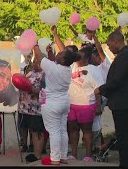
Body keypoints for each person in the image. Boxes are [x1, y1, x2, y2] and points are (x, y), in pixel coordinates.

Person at [94, 31, 128, 167]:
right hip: (124, 102)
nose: (109, 48)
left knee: (124, 138)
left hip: (125, 103)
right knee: (124, 137)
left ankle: (126, 164)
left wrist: (101, 89)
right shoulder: (125, 55)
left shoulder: (126, 56)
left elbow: (117, 80)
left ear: (116, 41)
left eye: (109, 45)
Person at [34, 25, 81, 165]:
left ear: (62, 59)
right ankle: (62, 156)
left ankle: (54, 159)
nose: (59, 53)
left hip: (52, 103)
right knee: (61, 130)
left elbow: (39, 56)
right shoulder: (66, 68)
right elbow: (57, 57)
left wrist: (34, 44)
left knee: (53, 131)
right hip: (64, 103)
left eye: (61, 53)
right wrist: (54, 37)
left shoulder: (53, 68)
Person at [18, 58, 46, 163]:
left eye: (37, 62)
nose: (35, 64)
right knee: (30, 131)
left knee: (37, 131)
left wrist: (36, 91)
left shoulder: (45, 75)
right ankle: (35, 152)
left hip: (37, 109)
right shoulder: (29, 73)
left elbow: (47, 91)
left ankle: (38, 155)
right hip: (25, 108)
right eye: (34, 62)